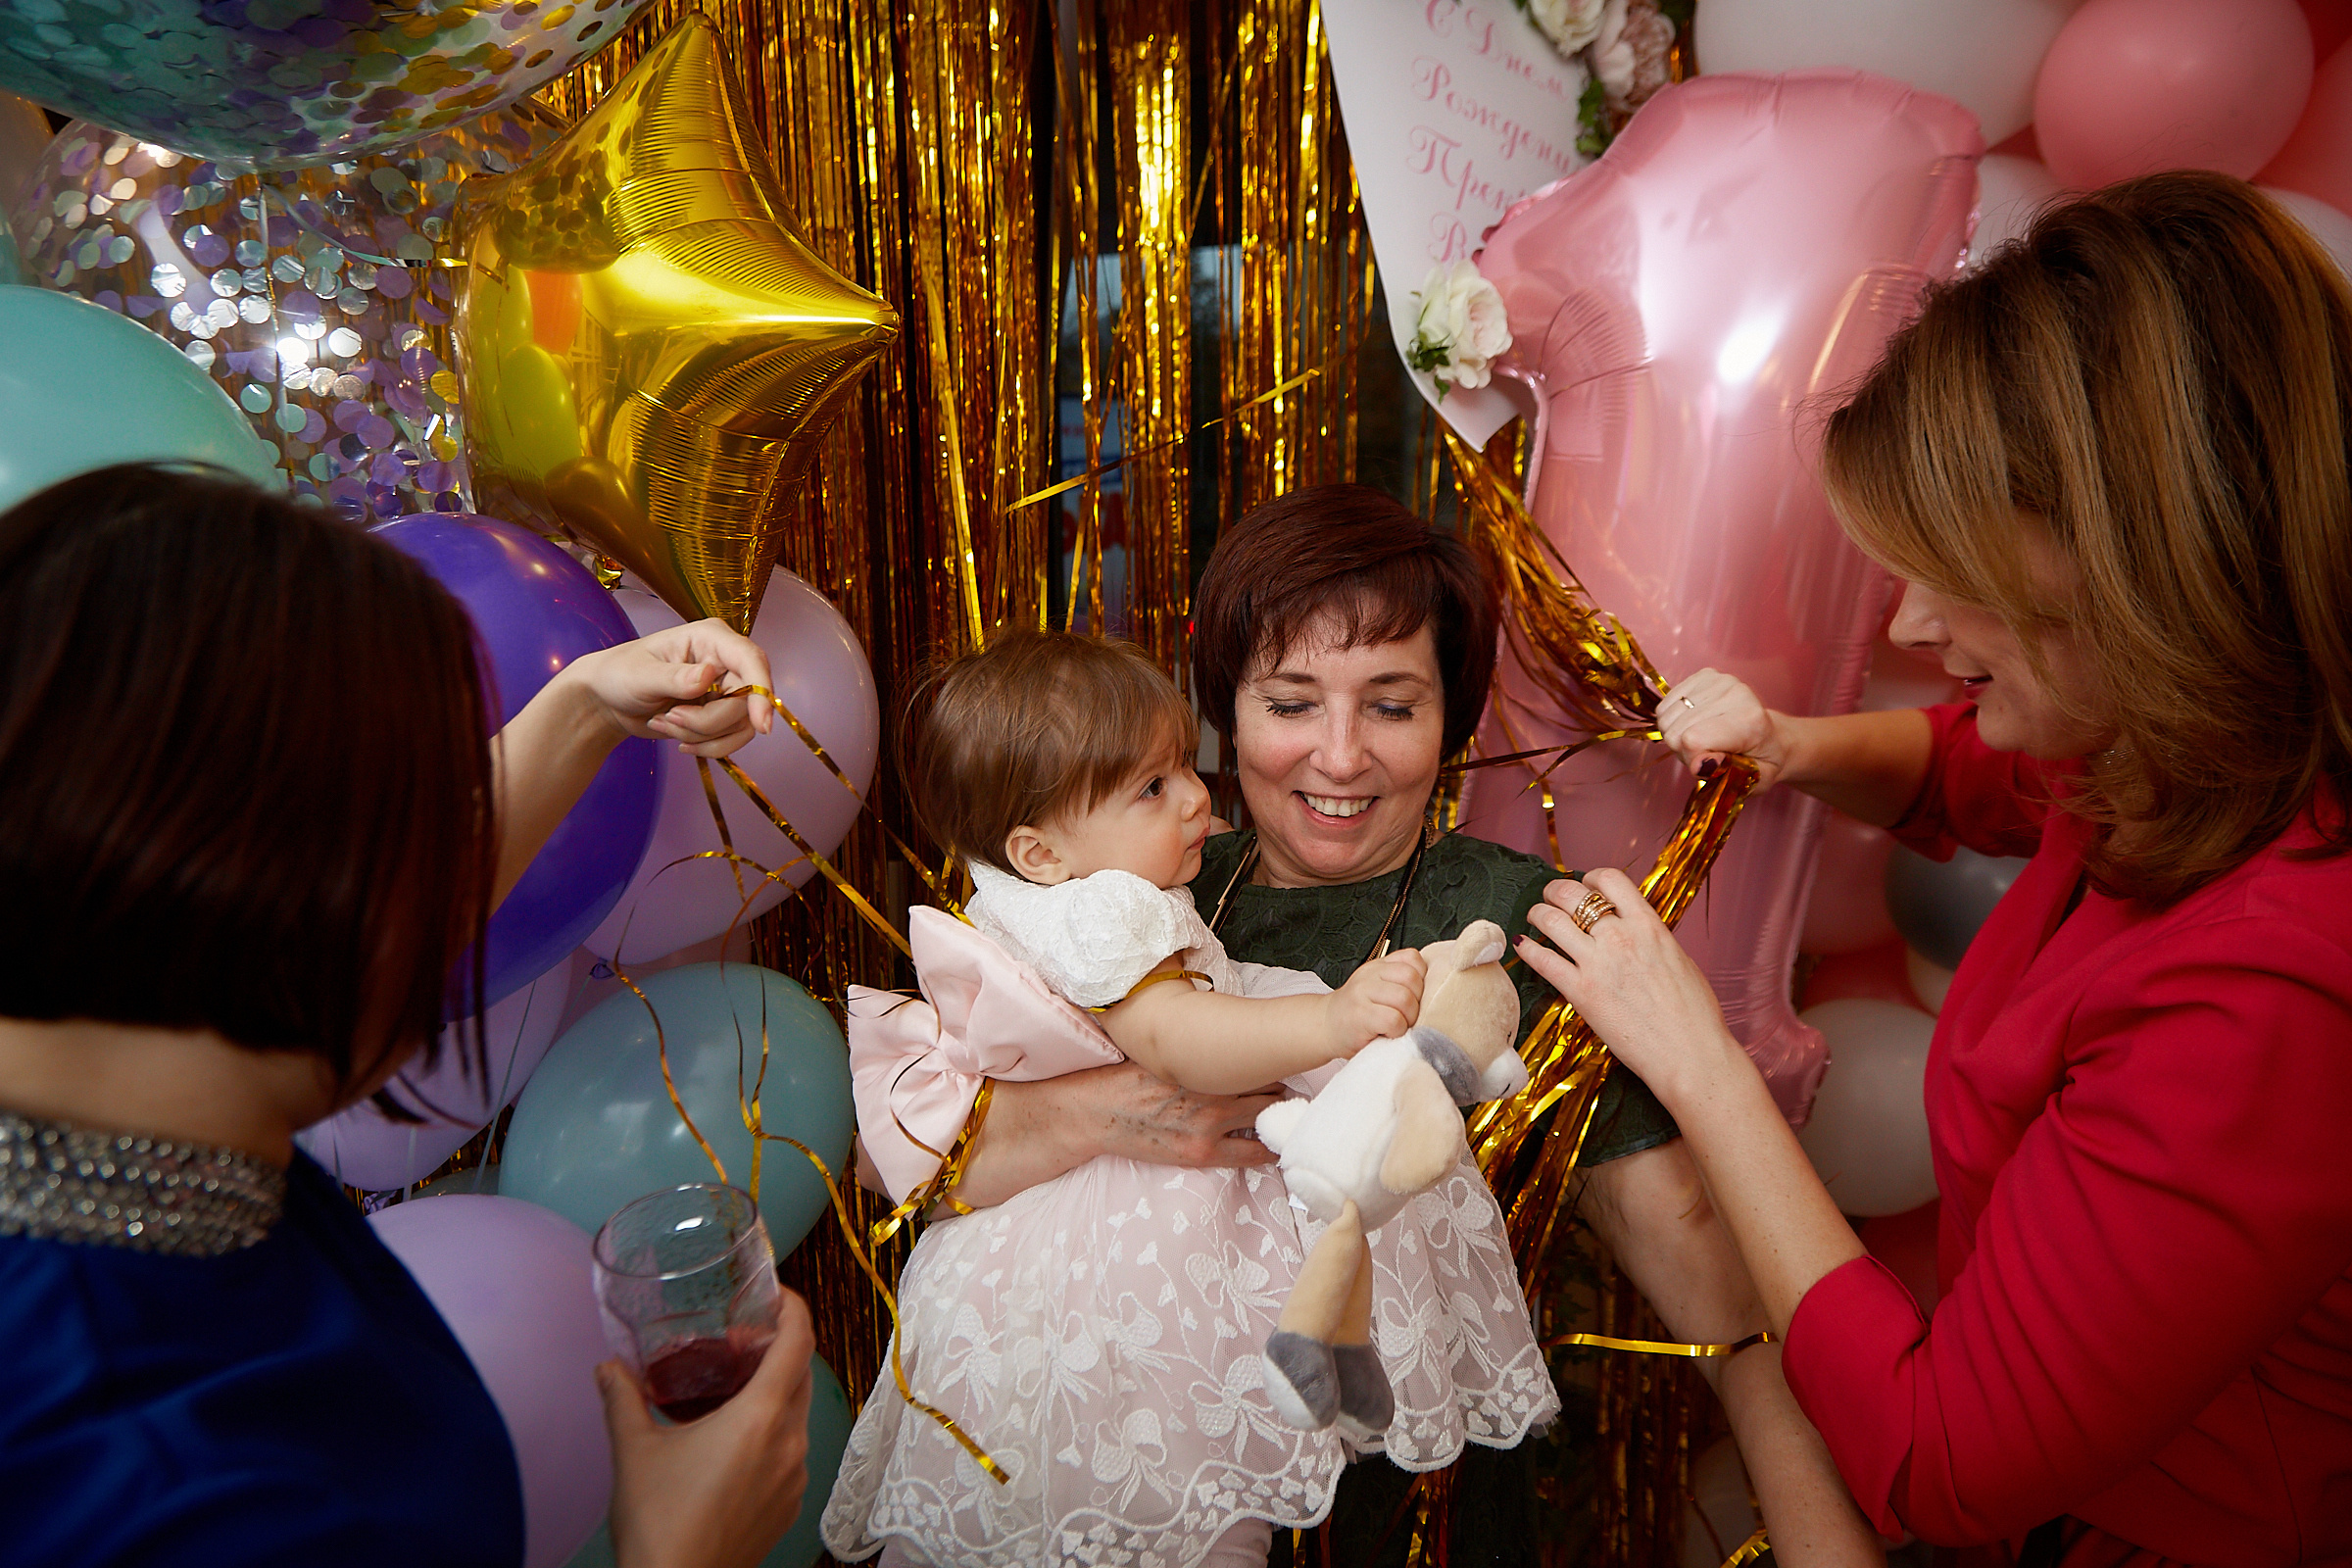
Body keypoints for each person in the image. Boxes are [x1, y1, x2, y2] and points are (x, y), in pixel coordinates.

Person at [1521, 172, 2352, 1561]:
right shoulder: (2193, 750)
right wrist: (1788, 744)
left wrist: (1699, 1063)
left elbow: (1941, 1458)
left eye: (1951, 570)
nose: (1908, 622)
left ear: (2137, 564)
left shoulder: (2274, 988)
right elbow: (1984, 768)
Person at [943, 490, 1880, 1562]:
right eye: (1291, 703)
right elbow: (927, 1167)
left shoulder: (1518, 927)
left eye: (1391, 706)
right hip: (1109, 1474)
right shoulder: (1126, 884)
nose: (1340, 757)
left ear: (1451, 718)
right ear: (1225, 708)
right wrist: (1113, 1115)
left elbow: (1719, 1300)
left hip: (1410, 1513)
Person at [0, 466, 814, 1568]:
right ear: (250, 881)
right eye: (418, 807)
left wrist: (585, 704)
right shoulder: (165, 1481)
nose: (457, 888)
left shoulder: (130, 1129)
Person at [822, 631, 1555, 1568]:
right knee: (1186, 1488)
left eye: (1182, 765)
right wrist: (1332, 1018)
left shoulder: (1033, 892)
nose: (1196, 797)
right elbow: (1180, 1041)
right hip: (1114, 1253)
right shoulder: (1106, 909)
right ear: (1040, 851)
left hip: (1018, 1262)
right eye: (1151, 789)